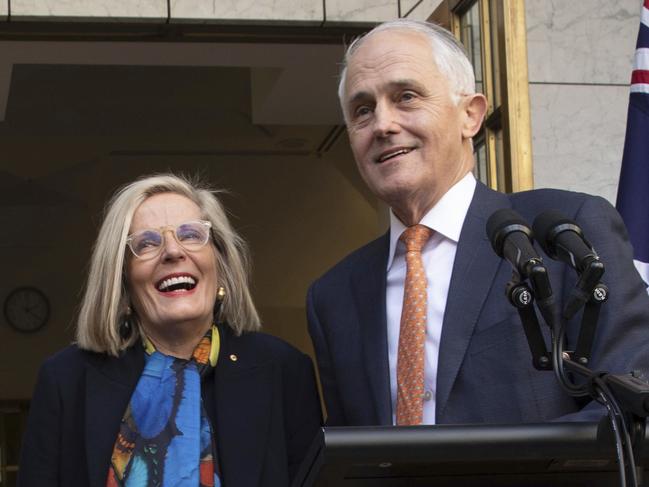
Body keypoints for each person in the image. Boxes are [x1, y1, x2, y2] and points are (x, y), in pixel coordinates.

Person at [307, 19, 649, 427]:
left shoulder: (562, 234)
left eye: (407, 97)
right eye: (363, 110)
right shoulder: (334, 297)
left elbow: (631, 399)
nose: (383, 125)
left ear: (471, 115)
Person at [18, 174, 322, 487]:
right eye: (147, 243)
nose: (173, 251)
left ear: (220, 265)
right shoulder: (66, 380)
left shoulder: (284, 370)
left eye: (191, 234)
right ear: (121, 282)